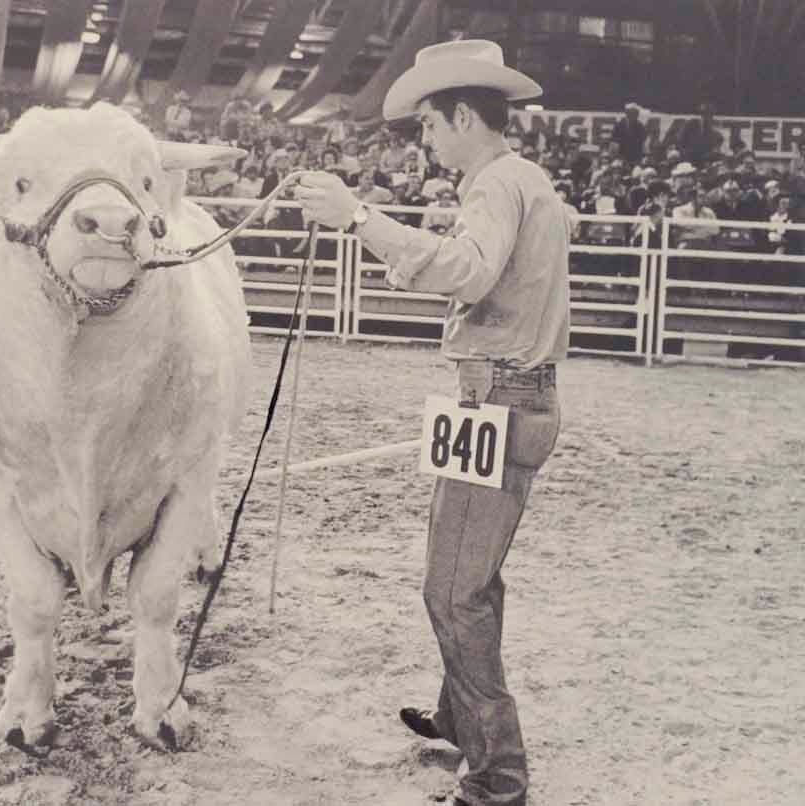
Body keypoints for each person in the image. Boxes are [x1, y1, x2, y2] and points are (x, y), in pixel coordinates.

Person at [293, 39, 568, 806]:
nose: (424, 140)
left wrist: (358, 218)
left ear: (458, 115)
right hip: (505, 393)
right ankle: (458, 717)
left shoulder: (494, 186)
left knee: (452, 591)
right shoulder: (523, 181)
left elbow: (468, 271)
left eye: (428, 126)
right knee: (470, 579)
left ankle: (496, 780)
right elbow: (482, 278)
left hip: (496, 398)